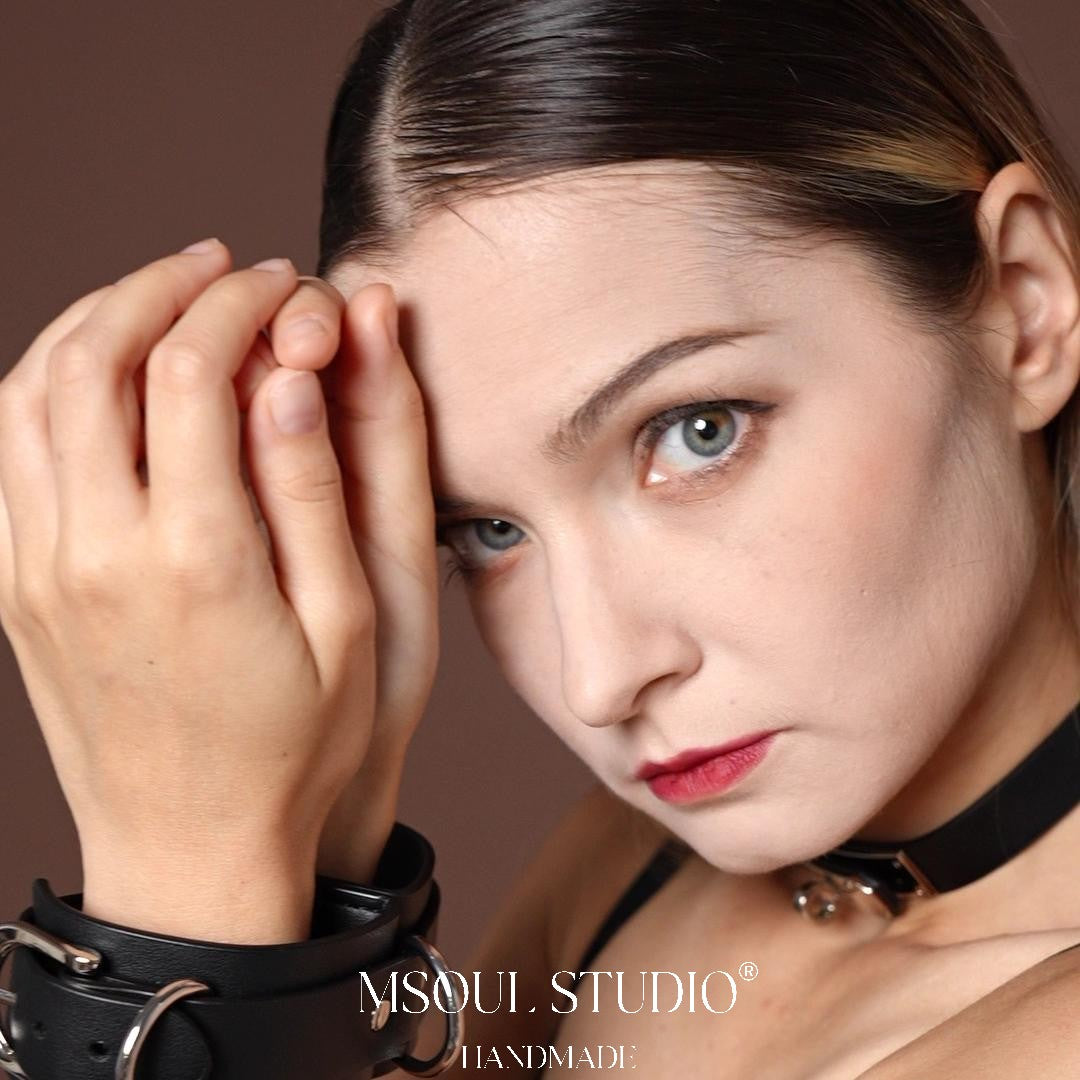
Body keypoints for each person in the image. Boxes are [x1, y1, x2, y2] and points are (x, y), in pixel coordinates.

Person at [2, 0, 1079, 1076]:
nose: (600, 678)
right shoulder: (624, 874)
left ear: (1025, 305)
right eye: (487, 530)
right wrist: (306, 847)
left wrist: (184, 887)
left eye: (697, 432)